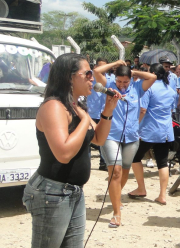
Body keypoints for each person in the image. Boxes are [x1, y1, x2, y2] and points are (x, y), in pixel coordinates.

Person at [22, 53, 120, 247]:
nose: (93, 78)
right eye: (88, 74)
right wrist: (84, 119)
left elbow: (99, 139)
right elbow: (64, 154)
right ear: (69, 77)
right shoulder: (54, 107)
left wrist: (108, 111)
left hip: (74, 191)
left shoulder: (76, 106)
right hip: (52, 192)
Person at [93, 60, 156, 228]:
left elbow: (153, 76)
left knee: (125, 170)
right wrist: (115, 63)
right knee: (115, 172)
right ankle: (116, 213)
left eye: (125, 81)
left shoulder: (137, 88)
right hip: (110, 135)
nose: (121, 84)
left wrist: (134, 72)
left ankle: (116, 197)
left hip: (131, 137)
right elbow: (97, 71)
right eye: (119, 81)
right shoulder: (109, 85)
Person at [129, 63, 177, 205]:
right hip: (166, 131)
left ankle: (141, 188)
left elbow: (143, 110)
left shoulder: (149, 88)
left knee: (135, 157)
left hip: (149, 129)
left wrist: (135, 126)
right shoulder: (171, 90)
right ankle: (162, 195)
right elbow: (171, 110)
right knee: (162, 162)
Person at [87, 57, 110, 171]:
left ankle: (103, 162)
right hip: (91, 112)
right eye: (100, 66)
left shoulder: (111, 79)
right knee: (88, 138)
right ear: (95, 67)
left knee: (103, 139)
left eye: (104, 66)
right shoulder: (90, 79)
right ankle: (86, 162)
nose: (102, 69)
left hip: (103, 114)